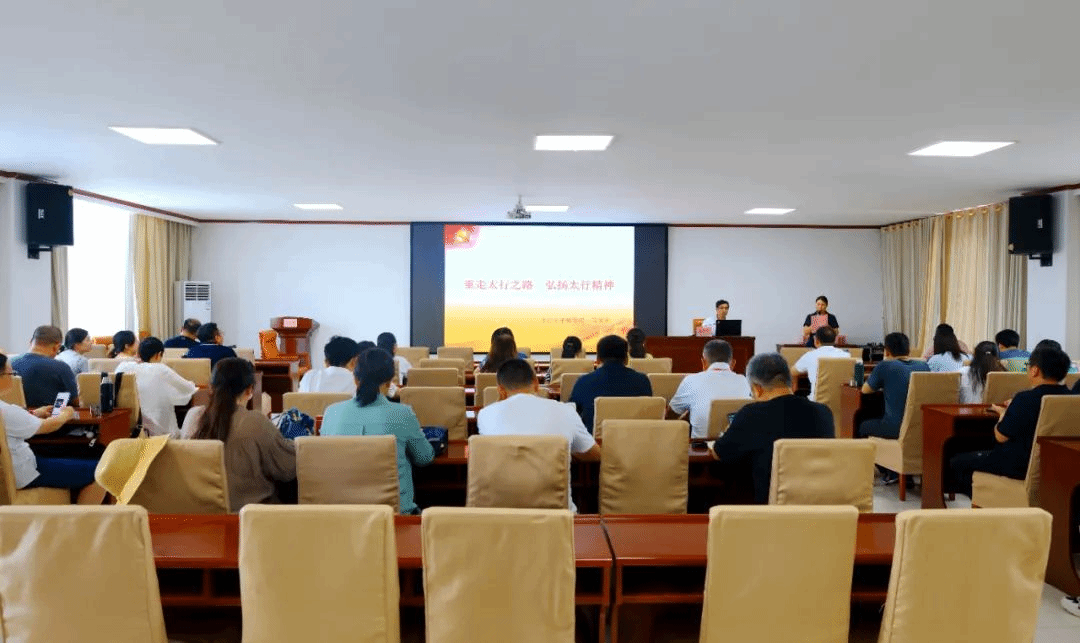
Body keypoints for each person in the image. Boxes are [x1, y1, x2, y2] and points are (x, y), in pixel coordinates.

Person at [477, 359, 601, 512]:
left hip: (505, 515)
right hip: (559, 517)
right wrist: (567, 448)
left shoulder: (485, 415)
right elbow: (595, 454)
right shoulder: (566, 411)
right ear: (536, 384)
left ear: (500, 390)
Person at [321, 348, 434, 515]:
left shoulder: (331, 412)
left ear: (355, 379)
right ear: (389, 383)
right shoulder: (402, 414)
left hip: (343, 515)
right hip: (395, 515)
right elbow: (424, 457)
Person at [949, 345, 1072, 497]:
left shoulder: (1025, 399)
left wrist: (1003, 413)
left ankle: (987, 501)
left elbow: (1000, 436)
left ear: (1035, 370)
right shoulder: (1071, 398)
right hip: (1058, 467)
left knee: (958, 462)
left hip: (1018, 465)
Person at [709, 352, 833, 503]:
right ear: (791, 383)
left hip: (770, 509)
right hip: (819, 506)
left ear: (757, 389)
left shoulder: (751, 414)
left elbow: (719, 453)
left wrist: (732, 431)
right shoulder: (824, 412)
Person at [183, 358, 295, 512]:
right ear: (249, 390)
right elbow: (288, 468)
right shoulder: (255, 422)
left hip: (202, 515)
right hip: (251, 517)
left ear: (211, 388)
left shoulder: (193, 417)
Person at [0, 353, 106, 504]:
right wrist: (66, 414)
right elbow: (47, 426)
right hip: (25, 472)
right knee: (103, 472)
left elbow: (12, 422)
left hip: (12, 469)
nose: (13, 378)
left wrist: (34, 413)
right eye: (11, 374)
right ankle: (81, 518)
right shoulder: (5, 411)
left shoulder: (6, 410)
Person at [115, 337, 198, 437]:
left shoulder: (123, 367)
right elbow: (188, 389)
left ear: (138, 353)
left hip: (130, 432)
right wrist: (192, 383)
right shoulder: (161, 369)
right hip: (161, 435)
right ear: (158, 354)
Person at [669, 339, 751, 438]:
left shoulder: (691, 380)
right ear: (733, 363)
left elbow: (671, 414)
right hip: (737, 444)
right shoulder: (744, 381)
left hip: (701, 445)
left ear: (703, 362)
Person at [569, 335, 652, 431]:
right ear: (626, 359)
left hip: (593, 439)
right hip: (634, 437)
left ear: (598, 359)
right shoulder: (643, 381)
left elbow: (571, 415)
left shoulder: (583, 382)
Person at [857, 332, 930, 440]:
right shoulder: (924, 366)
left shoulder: (885, 366)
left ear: (886, 351)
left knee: (862, 424)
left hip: (894, 428)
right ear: (908, 350)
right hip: (920, 426)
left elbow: (865, 390)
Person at [11, 325, 79, 408]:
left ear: (30, 342)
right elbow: (75, 401)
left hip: (15, 414)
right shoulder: (61, 367)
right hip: (52, 414)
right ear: (57, 347)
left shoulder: (9, 363)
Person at [792, 326, 852, 401]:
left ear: (816, 341)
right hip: (843, 403)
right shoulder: (847, 356)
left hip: (816, 403)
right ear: (834, 340)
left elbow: (792, 372)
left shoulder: (810, 355)